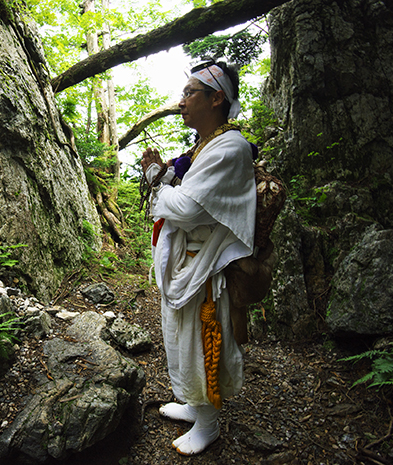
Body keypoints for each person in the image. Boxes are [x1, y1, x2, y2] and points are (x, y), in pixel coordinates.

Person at [141, 59, 256, 456]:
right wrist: (164, 179)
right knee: (178, 336)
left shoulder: (231, 148)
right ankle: (193, 404)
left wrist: (159, 184)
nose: (182, 100)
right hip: (187, 260)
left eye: (191, 92)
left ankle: (209, 423)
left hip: (206, 266)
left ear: (216, 98)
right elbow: (188, 196)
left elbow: (188, 209)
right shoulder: (207, 146)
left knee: (201, 338)